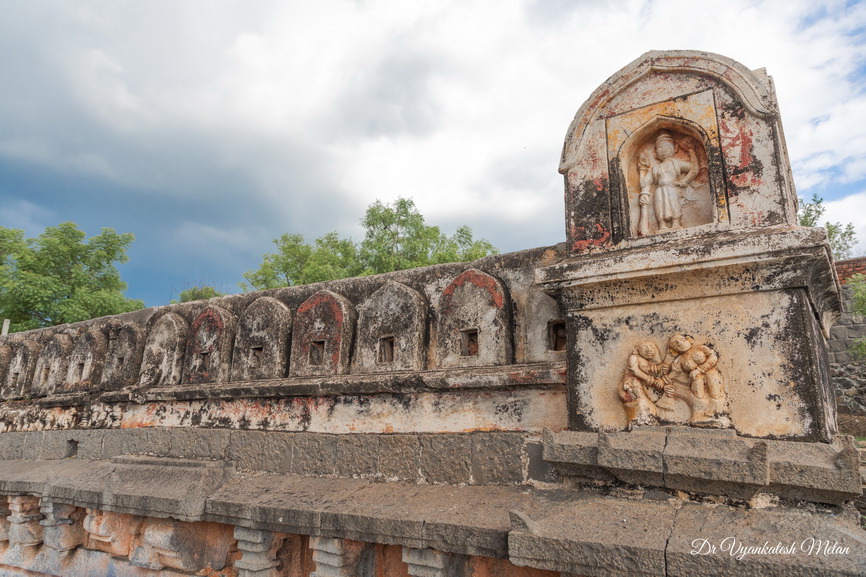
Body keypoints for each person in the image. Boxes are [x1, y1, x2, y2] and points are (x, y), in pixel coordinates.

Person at [638, 132, 699, 231]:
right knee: (660, 207)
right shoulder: (656, 168)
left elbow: (694, 168)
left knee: (674, 205)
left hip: (672, 188)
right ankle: (662, 225)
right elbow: (646, 182)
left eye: (666, 147)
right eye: (659, 148)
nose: (662, 150)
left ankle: (676, 223)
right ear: (655, 153)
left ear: (675, 148)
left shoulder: (677, 163)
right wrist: (642, 169)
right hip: (659, 190)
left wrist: (685, 181)